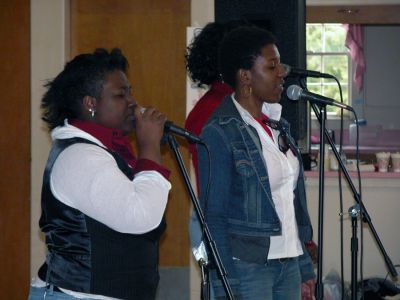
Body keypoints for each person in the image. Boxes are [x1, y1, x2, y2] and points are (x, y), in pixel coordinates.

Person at [28, 48, 171, 300]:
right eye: (120, 95)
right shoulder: (80, 156)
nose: (133, 103)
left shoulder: (108, 151)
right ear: (90, 103)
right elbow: (141, 218)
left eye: (130, 92)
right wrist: (149, 146)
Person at [196, 26, 316, 300]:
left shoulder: (279, 125)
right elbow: (213, 216)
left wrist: (303, 266)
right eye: (272, 67)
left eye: (280, 65)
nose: (282, 73)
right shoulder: (219, 132)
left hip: (289, 262)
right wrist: (225, 283)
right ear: (245, 75)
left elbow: (290, 202)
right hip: (248, 268)